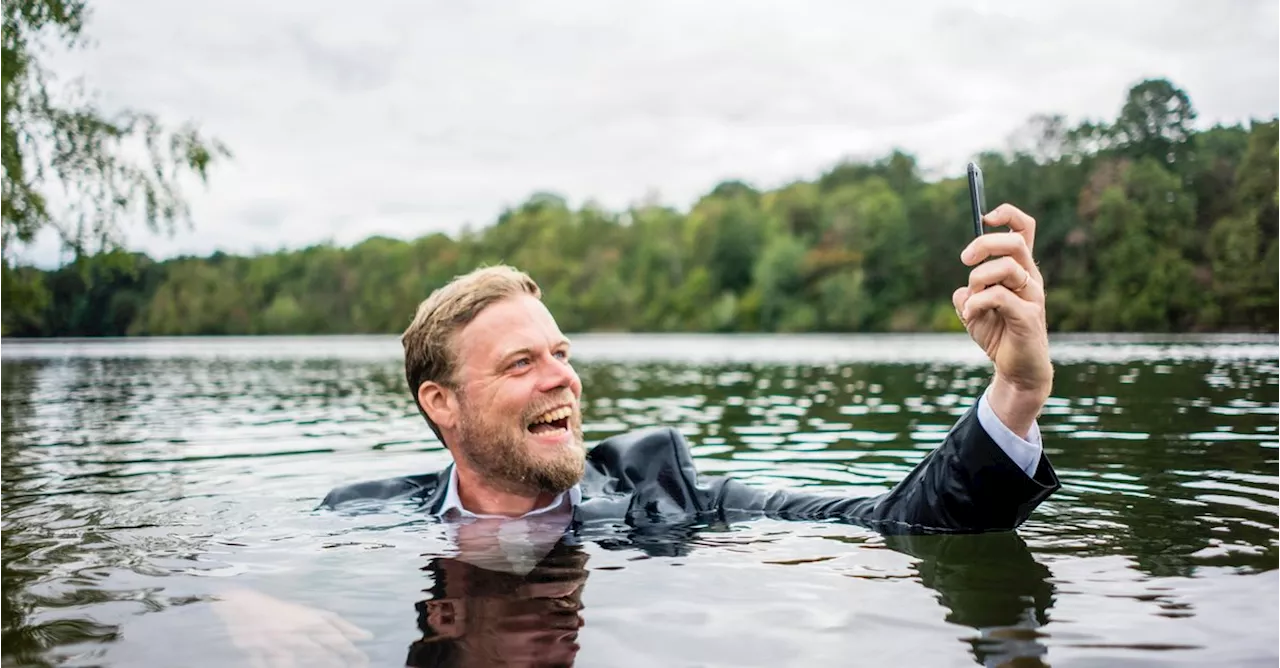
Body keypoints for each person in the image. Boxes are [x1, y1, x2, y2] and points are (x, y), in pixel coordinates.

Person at [322, 203, 1061, 535]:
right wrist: (248, 608)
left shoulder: (666, 492)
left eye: (561, 354)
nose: (561, 379)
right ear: (441, 403)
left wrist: (1018, 392)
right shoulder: (361, 516)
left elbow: (900, 522)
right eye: (521, 363)